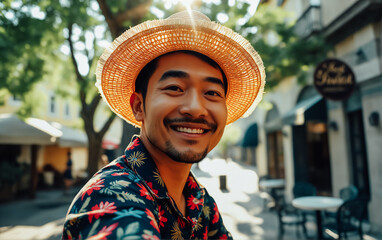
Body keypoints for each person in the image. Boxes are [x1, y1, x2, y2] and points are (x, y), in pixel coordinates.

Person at [62, 10, 265, 239]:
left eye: (212, 92)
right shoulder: (110, 196)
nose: (196, 108)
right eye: (174, 88)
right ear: (139, 106)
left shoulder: (199, 200)